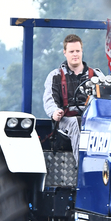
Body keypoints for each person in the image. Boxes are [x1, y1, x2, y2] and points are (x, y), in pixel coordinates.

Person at [43, 34, 95, 163]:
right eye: (71, 51)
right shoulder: (55, 76)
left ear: (82, 51)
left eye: (78, 51)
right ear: (65, 53)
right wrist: (54, 112)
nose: (75, 54)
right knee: (76, 122)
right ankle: (82, 167)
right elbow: (49, 99)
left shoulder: (96, 76)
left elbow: (107, 98)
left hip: (91, 118)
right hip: (65, 120)